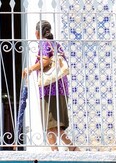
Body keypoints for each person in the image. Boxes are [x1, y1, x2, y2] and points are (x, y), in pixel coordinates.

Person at [22, 20, 78, 151]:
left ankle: (57, 152)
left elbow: (45, 60)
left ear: (37, 33)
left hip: (49, 90)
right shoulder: (56, 44)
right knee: (56, 125)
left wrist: (30, 69)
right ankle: (72, 149)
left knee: (49, 124)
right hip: (62, 89)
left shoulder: (43, 43)